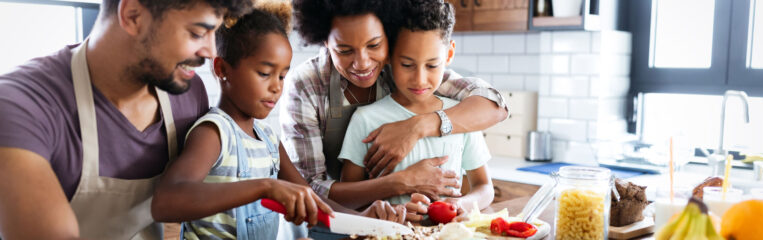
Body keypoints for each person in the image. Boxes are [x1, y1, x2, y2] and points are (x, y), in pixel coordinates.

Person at [151, 3, 406, 240]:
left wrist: (364, 220)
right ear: (222, 69)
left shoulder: (269, 140)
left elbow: (314, 202)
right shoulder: (214, 133)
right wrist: (265, 187)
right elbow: (166, 201)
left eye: (282, 76)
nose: (276, 87)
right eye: (264, 73)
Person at [0, 0, 252, 239]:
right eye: (197, 33)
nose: (210, 52)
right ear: (133, 15)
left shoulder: (189, 92)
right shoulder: (19, 104)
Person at [283, 0, 509, 210]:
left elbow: (494, 105)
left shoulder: (406, 69)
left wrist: (415, 127)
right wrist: (401, 183)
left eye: (374, 45)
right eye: (344, 50)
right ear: (324, 40)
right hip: (325, 226)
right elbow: (308, 190)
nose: (362, 63)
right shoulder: (307, 85)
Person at [339, 0, 494, 220]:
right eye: (407, 64)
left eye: (432, 65)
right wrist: (388, 209)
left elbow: (484, 186)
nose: (420, 80)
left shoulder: (461, 116)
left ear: (449, 54)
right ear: (389, 55)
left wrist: (462, 204)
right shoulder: (366, 119)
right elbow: (347, 199)